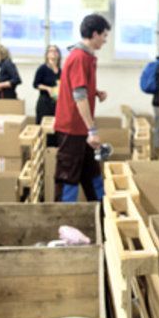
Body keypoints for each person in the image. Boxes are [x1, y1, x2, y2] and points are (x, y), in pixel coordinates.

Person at [54, 14, 109, 202]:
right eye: (104, 35)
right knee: (68, 177)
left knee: (91, 173)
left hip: (81, 129)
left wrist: (95, 92)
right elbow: (79, 97)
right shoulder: (79, 57)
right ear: (95, 34)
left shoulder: (86, 56)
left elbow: (79, 88)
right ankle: (62, 222)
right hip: (72, 129)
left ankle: (103, 215)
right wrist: (92, 130)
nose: (105, 40)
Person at [33, 44, 62, 125]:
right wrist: (48, 88)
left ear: (59, 55)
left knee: (55, 128)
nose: (53, 53)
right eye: (51, 51)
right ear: (47, 55)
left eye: (56, 51)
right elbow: (35, 84)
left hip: (56, 104)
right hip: (44, 103)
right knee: (44, 128)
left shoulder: (60, 71)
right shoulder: (42, 68)